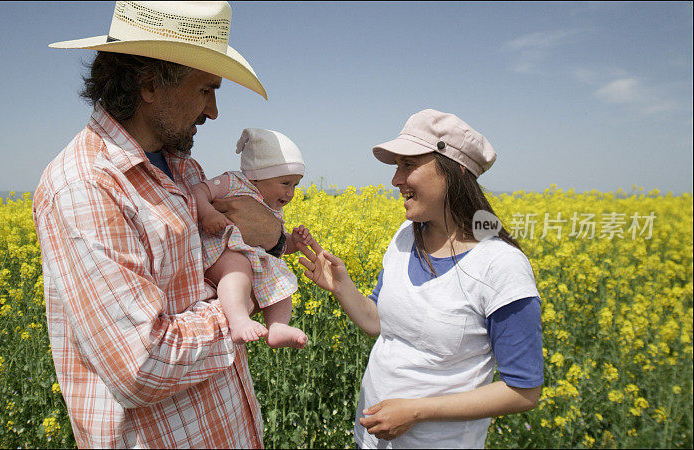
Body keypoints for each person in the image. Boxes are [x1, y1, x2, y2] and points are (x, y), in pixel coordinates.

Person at [33, 2, 281, 447]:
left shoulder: (182, 167)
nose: (214, 111)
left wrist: (275, 241)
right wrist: (242, 307)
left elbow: (225, 255)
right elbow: (141, 366)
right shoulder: (85, 186)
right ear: (149, 84)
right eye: (206, 89)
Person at [297, 109, 543, 448]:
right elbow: (380, 325)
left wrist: (416, 412)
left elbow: (523, 391)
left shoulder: (501, 266)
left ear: (455, 172)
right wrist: (343, 287)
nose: (395, 179)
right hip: (370, 440)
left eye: (408, 165)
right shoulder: (404, 236)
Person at [193, 128, 312, 348]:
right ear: (259, 175)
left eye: (296, 185)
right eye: (285, 183)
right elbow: (199, 191)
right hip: (222, 252)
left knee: (279, 275)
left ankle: (277, 326)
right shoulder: (232, 182)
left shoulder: (271, 205)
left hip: (251, 256)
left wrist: (293, 242)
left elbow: (273, 245)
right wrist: (208, 213)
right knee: (237, 267)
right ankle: (238, 320)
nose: (291, 193)